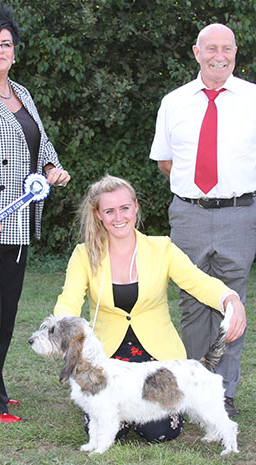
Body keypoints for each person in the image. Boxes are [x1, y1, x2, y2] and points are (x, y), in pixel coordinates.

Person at [53, 174, 245, 443]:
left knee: (159, 432)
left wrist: (229, 299)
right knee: (112, 431)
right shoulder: (84, 255)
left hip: (158, 360)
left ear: (135, 208)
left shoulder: (161, 248)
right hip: (109, 361)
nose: (118, 217)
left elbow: (198, 282)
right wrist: (60, 324)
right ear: (98, 215)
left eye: (124, 208)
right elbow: (69, 299)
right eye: (109, 211)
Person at [0, 4, 70, 422]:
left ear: (15, 50)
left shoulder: (22, 93)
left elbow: (37, 144)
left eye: (6, 43)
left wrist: (50, 168)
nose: (0, 50)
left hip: (17, 224)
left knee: (3, 316)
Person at [149, 23, 255, 417]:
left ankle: (223, 394)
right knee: (193, 304)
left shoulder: (253, 99)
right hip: (189, 214)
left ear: (235, 52)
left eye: (227, 49)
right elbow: (165, 161)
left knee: (231, 304)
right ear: (197, 52)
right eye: (212, 48)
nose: (220, 56)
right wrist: (197, 192)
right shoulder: (173, 101)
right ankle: (195, 389)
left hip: (240, 215)